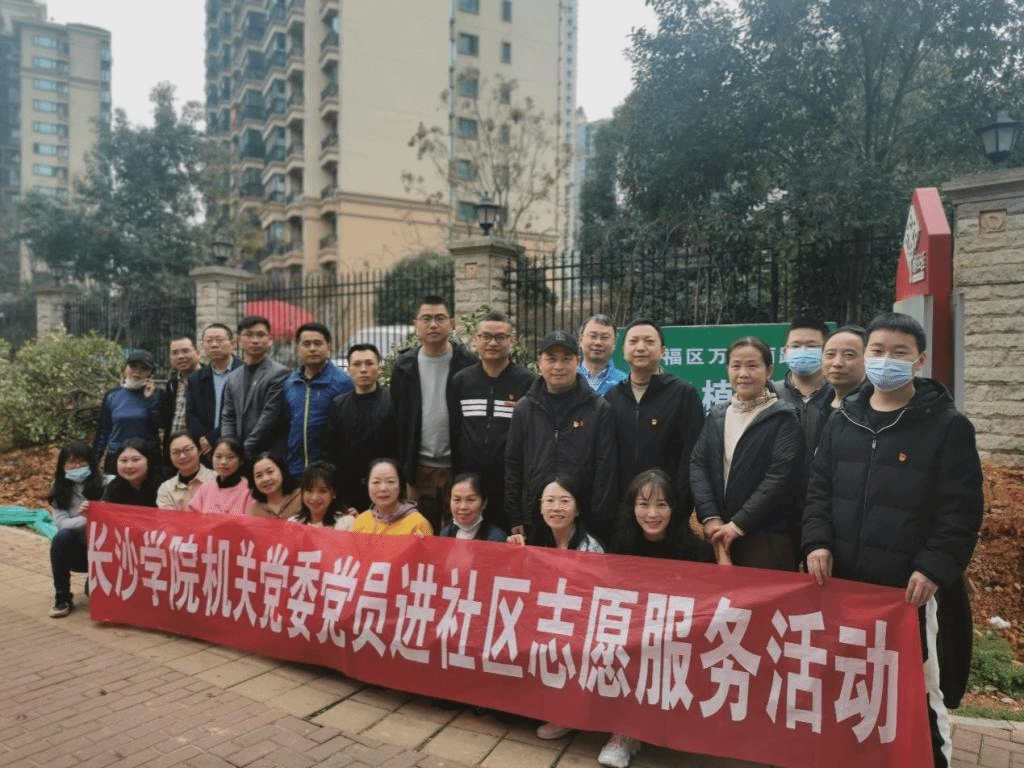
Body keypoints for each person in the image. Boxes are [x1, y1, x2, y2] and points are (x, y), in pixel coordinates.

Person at [802, 312, 984, 768]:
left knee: (918, 690)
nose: (886, 360)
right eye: (878, 351)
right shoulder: (843, 420)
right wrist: (817, 541)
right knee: (851, 681)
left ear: (919, 361)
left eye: (899, 353)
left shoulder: (947, 426)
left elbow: (960, 511)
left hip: (908, 593)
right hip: (847, 584)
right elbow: (819, 490)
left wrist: (933, 567)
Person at [599, 468, 711, 767]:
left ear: (673, 508)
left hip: (677, 636)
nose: (652, 514)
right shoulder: (621, 543)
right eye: (644, 504)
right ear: (631, 507)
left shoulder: (693, 550)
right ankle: (624, 734)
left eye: (661, 504)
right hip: (632, 632)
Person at [690, 336, 803, 569]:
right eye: (736, 366)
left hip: (766, 540)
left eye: (752, 366)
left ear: (769, 370)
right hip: (720, 536)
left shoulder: (784, 418)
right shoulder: (717, 415)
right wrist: (711, 518)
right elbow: (698, 465)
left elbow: (779, 477)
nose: (743, 374)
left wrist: (738, 524)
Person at [507, 477, 601, 741]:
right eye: (549, 501)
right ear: (539, 507)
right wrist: (513, 555)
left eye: (564, 501)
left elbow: (592, 602)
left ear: (578, 508)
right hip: (543, 618)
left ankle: (567, 713)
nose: (556, 508)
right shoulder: (535, 541)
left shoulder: (590, 548)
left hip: (576, 625)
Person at [504, 330, 617, 546]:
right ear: (540, 362)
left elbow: (605, 470)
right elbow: (513, 465)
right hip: (535, 518)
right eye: (551, 358)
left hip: (583, 521)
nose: (558, 366)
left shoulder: (598, 409)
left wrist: (597, 519)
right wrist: (516, 516)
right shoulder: (525, 409)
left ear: (578, 361)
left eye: (566, 359)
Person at [390, 295, 477, 530]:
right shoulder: (404, 367)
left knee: (459, 533)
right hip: (419, 469)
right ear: (415, 324)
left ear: (452, 323)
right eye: (426, 319)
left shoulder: (468, 363)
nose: (433, 325)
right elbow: (397, 421)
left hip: (457, 466)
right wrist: (403, 471)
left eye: (440, 318)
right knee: (420, 533)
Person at [448, 312, 536, 531]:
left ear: (512, 340)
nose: (493, 343)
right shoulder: (461, 381)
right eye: (486, 336)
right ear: (476, 339)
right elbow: (454, 431)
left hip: (509, 484)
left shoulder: (528, 383)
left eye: (500, 337)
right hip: (470, 484)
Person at [606, 319, 704, 514]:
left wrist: (680, 502)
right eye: (633, 341)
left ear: (662, 351)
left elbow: (693, 455)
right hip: (623, 508)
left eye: (649, 341)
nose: (641, 347)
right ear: (623, 351)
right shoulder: (612, 397)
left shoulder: (683, 394)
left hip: (667, 507)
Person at [323, 343, 398, 513]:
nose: (363, 370)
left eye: (369, 363)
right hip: (348, 493)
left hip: (385, 491)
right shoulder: (339, 405)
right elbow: (330, 451)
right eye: (357, 364)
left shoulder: (393, 401)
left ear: (379, 368)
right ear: (349, 370)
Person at [281, 322, 352, 479]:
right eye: (306, 344)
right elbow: (287, 422)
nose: (312, 349)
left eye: (318, 343)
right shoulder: (290, 383)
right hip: (295, 469)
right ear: (298, 349)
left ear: (329, 347)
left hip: (329, 471)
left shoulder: (342, 383)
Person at [47, 441, 107, 618]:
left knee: (92, 593)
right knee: (61, 537)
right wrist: (89, 517)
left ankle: (96, 581)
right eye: (71, 462)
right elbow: (62, 523)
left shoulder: (108, 483)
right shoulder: (58, 487)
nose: (77, 466)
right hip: (78, 551)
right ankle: (62, 596)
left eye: (82, 461)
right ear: (63, 465)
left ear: (91, 463)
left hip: (105, 549)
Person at [220, 315, 289, 459]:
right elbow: (228, 416)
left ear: (270, 340)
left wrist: (243, 450)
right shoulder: (233, 376)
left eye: (261, 335)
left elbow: (269, 418)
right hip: (237, 455)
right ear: (239, 339)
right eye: (249, 335)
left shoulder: (279, 373)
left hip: (268, 453)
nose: (255, 340)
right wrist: (229, 446)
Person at [774, 316, 832, 480]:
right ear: (785, 352)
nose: (803, 351)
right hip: (780, 489)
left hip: (826, 488)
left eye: (812, 346)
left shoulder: (839, 395)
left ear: (826, 351)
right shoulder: (771, 394)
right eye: (796, 346)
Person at [94, 350, 164, 474]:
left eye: (143, 368)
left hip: (147, 457)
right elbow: (103, 430)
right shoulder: (112, 395)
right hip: (117, 457)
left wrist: (150, 399)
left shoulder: (157, 394)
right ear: (125, 369)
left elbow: (161, 423)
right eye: (133, 366)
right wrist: (95, 459)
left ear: (150, 373)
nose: (137, 371)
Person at [185, 322, 242, 462]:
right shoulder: (196, 378)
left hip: (237, 445)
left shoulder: (244, 373)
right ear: (203, 346)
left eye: (220, 340)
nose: (214, 345)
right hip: (205, 449)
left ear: (232, 343)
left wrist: (213, 438)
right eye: (209, 341)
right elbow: (191, 413)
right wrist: (203, 439)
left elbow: (241, 413)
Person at [351, 458, 433, 536]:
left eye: (390, 481)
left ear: (400, 485)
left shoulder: (418, 524)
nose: (383, 488)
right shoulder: (362, 521)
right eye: (376, 482)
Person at [187, 437, 254, 515]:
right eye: (218, 456)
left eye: (230, 457)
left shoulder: (248, 490)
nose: (223, 462)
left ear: (241, 460)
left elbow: (253, 520)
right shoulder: (206, 488)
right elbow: (192, 517)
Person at [162, 333, 202, 459]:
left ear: (197, 353)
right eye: (175, 353)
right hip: (176, 452)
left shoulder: (208, 379)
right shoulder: (172, 383)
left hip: (201, 450)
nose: (180, 356)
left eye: (185, 351)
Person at [437, 473, 507, 541]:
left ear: (484, 503)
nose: (463, 507)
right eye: (457, 500)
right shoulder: (445, 533)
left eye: (470, 500)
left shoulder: (496, 538)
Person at [156, 432, 216, 510]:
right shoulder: (166, 489)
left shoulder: (218, 479)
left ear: (199, 450)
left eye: (187, 450)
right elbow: (167, 517)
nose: (182, 456)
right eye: (176, 452)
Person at [289, 461, 352, 530]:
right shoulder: (293, 523)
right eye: (309, 490)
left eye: (322, 491)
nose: (314, 498)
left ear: (334, 493)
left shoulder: (346, 523)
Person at [102, 438, 162, 507]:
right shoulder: (113, 487)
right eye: (124, 460)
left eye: (135, 460)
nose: (129, 466)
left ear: (149, 461)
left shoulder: (162, 486)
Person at [577, 314, 627, 396]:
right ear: (580, 340)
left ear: (614, 343)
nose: (598, 342)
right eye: (593, 336)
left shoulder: (624, 383)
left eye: (605, 337)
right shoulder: (567, 377)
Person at [821, 324, 867, 411]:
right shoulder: (815, 404)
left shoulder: (876, 408)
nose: (837, 363)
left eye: (849, 355)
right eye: (830, 354)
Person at [248, 452, 301, 519]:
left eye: (270, 472)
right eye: (259, 476)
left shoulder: (302, 498)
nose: (265, 479)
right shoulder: (254, 512)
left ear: (282, 471)